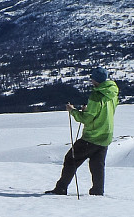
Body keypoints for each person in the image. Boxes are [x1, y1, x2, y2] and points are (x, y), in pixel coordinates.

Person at [45, 67, 119, 196]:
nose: (91, 80)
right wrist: (89, 109)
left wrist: (73, 111)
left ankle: (61, 189)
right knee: (97, 165)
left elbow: (86, 119)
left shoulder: (96, 96)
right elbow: (105, 111)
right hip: (106, 135)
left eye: (92, 78)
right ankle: (97, 191)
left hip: (92, 136)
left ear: (96, 79)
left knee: (71, 159)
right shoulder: (112, 93)